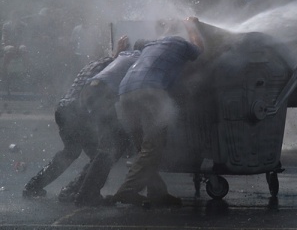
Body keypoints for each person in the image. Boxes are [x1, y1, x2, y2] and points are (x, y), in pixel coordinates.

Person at [107, 17, 204, 206]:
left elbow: (134, 47)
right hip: (149, 92)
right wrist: (191, 25)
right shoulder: (178, 42)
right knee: (152, 148)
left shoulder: (151, 45)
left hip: (125, 92)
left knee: (145, 149)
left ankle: (157, 193)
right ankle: (128, 190)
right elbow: (199, 49)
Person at [22, 36, 129, 199]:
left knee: (70, 152)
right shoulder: (111, 65)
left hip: (64, 108)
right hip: (77, 111)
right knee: (97, 157)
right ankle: (71, 190)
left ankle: (34, 185)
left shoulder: (95, 63)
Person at [73, 38, 147, 206]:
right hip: (101, 96)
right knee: (110, 146)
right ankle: (86, 193)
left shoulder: (126, 55)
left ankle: (81, 189)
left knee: (115, 143)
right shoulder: (139, 61)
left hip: (92, 92)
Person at [2, 10, 30, 80]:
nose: (15, 19)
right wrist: (11, 44)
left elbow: (25, 38)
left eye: (17, 17)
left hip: (20, 45)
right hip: (8, 45)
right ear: (11, 17)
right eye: (14, 17)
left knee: (23, 49)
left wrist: (19, 45)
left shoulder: (24, 26)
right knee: (10, 50)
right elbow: (4, 38)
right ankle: (4, 72)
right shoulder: (6, 26)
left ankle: (28, 71)